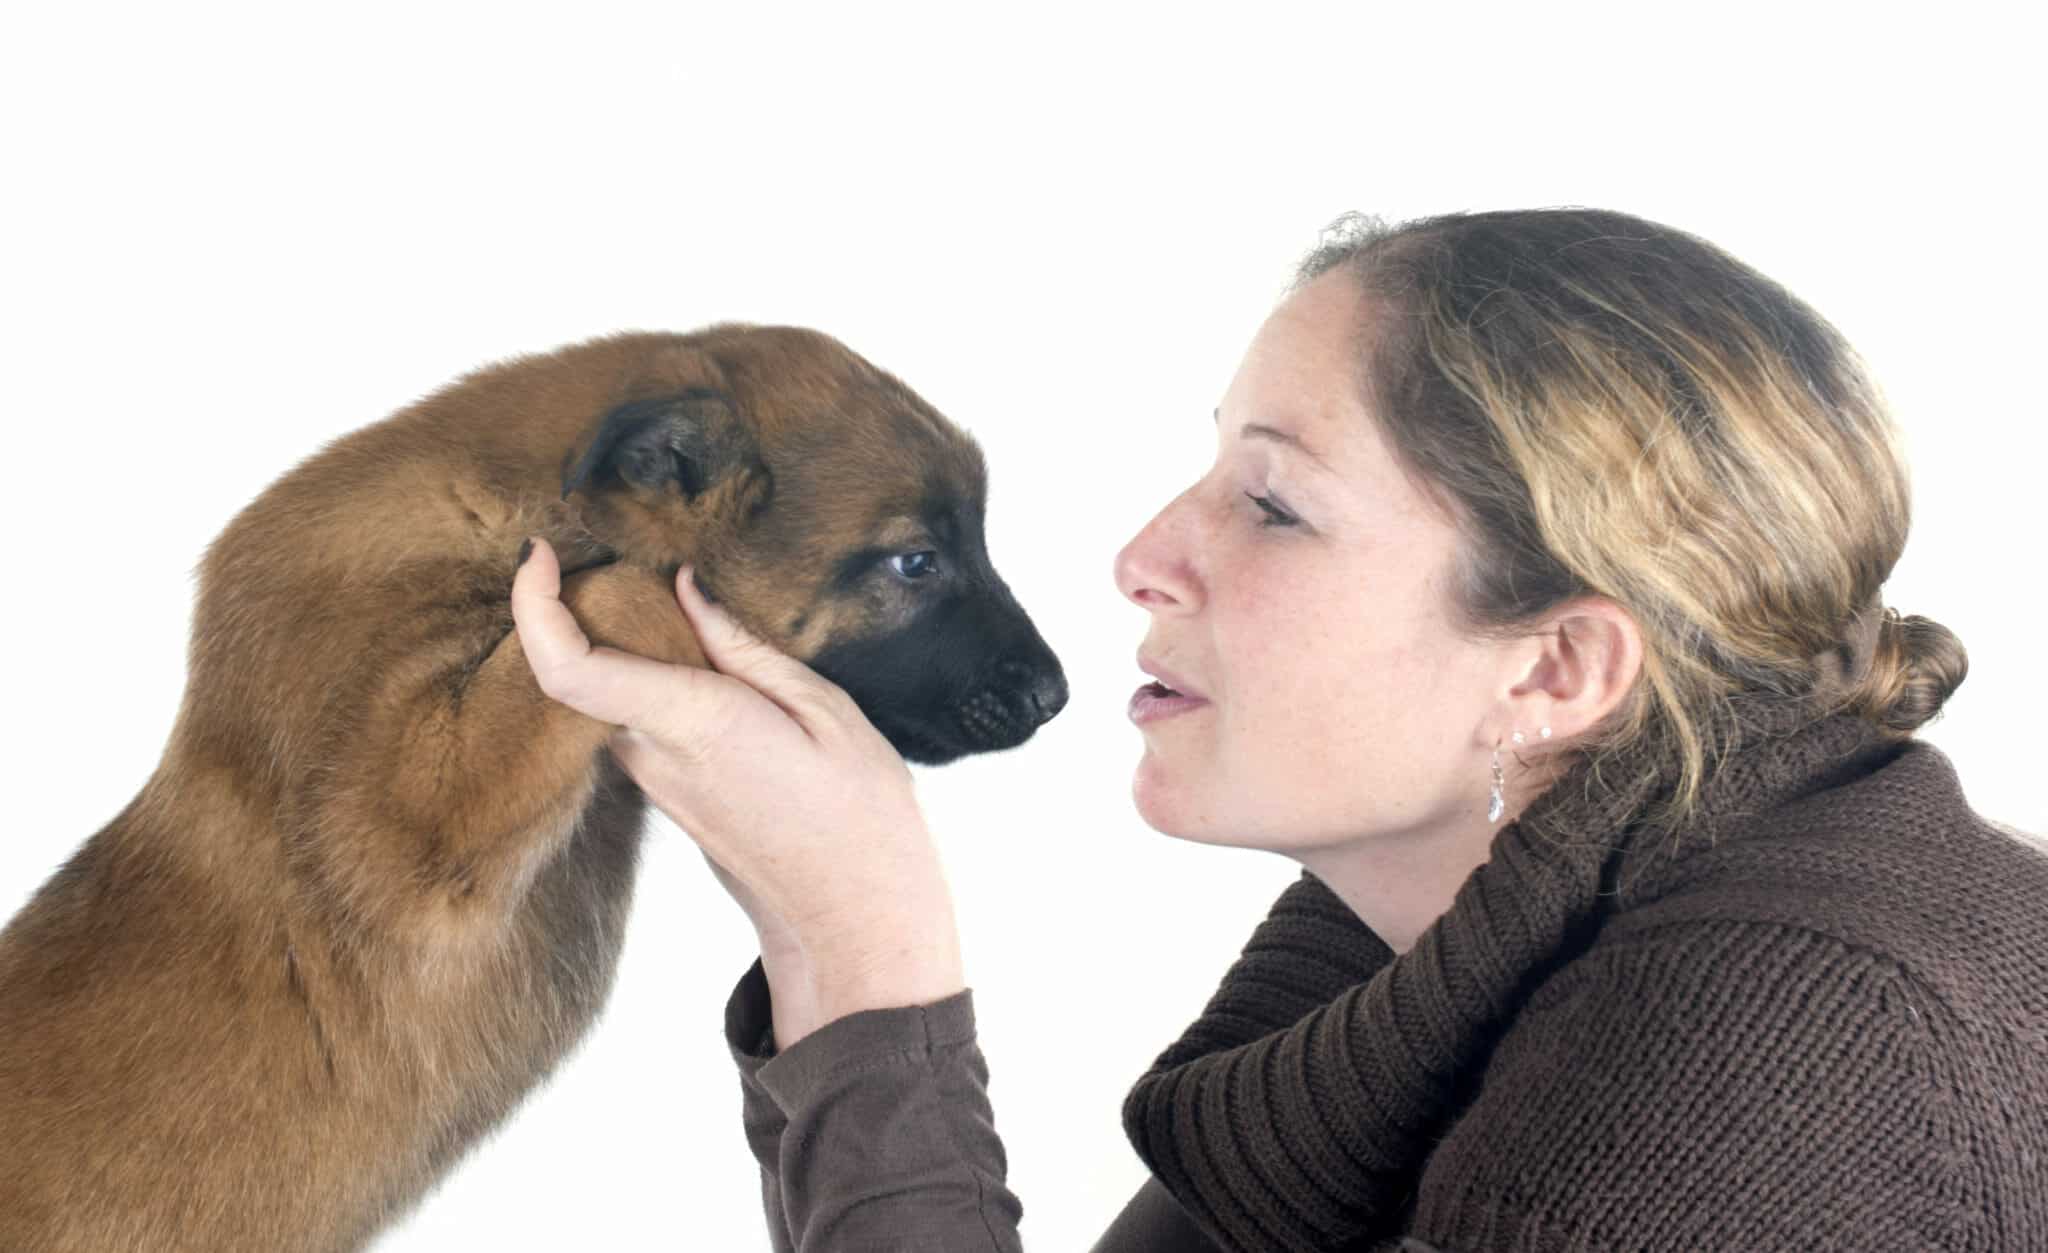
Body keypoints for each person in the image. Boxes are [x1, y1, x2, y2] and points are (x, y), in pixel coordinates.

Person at [508, 207, 2048, 1252]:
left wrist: (859, 947)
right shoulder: (1444, 928)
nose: (1141, 555)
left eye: (1274, 503)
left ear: (1560, 666)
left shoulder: (1784, 1045)